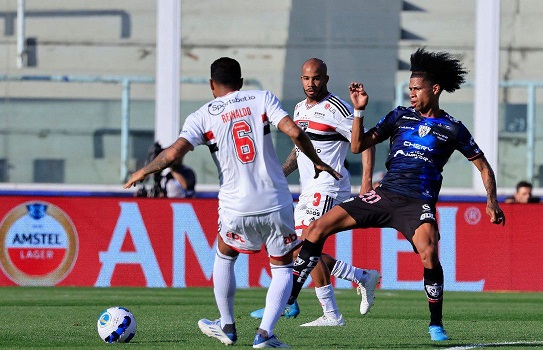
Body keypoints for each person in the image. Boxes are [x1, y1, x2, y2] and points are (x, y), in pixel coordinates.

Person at [287, 48, 506, 342]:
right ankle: (289, 299)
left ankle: (436, 324)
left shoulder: (452, 128)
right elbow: (358, 145)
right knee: (317, 228)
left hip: (417, 203)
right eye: (410, 89)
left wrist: (491, 201)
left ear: (435, 89)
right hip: (385, 195)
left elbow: (483, 166)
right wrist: (359, 111)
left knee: (429, 252)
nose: (412, 94)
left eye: (417, 89)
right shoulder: (399, 116)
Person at [123, 57, 341, 348]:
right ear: (241, 82)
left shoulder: (202, 115)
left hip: (235, 204)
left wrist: (143, 170)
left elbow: (173, 155)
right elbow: (295, 132)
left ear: (212, 85)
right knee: (282, 267)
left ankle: (227, 325)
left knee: (225, 253)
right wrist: (317, 162)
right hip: (275, 200)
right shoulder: (261, 98)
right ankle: (265, 334)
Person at [249, 58, 380, 327]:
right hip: (308, 189)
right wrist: (277, 176)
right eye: (307, 79)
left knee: (306, 245)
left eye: (317, 78)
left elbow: (365, 142)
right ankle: (357, 281)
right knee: (300, 250)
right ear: (301, 80)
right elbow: (299, 151)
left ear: (326, 79)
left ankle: (307, 307)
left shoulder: (338, 110)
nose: (312, 84)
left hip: (329, 187)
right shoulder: (298, 110)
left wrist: (366, 181)